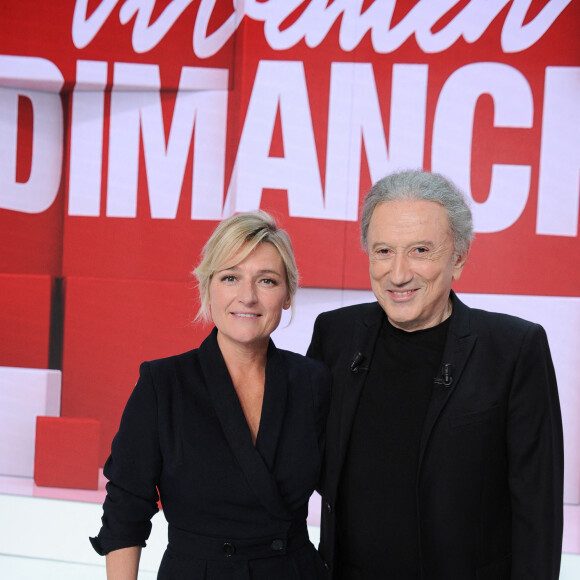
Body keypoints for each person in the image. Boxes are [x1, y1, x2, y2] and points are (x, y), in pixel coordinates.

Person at [307, 170, 564, 579]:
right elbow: (302, 463)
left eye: (420, 250)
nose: (398, 273)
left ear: (458, 258)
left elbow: (537, 510)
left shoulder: (514, 348)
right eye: (384, 251)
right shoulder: (334, 335)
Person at [91, 211, 331, 579]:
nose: (247, 297)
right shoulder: (163, 384)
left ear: (287, 295)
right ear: (208, 288)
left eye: (266, 281)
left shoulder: (313, 381)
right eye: (230, 277)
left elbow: (350, 493)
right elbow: (126, 510)